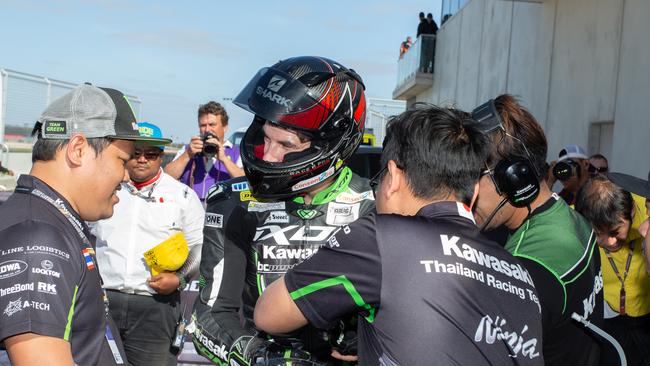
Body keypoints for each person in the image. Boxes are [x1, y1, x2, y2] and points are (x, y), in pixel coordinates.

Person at [255, 105, 544, 365]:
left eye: (379, 181)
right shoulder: (518, 270)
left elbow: (270, 314)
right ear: (475, 189)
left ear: (392, 177)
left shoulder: (380, 238)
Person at [190, 56, 374, 366]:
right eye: (265, 138)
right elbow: (207, 316)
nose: (271, 156)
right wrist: (255, 355)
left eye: (286, 145)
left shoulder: (376, 206)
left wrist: (369, 331)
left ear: (331, 146)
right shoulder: (233, 203)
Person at [0, 83, 162, 365]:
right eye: (122, 161)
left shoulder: (52, 219)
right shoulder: (37, 236)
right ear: (78, 149)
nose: (126, 177)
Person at [471, 96, 603, 366]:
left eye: (474, 175)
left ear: (513, 178)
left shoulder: (524, 270)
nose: (466, 190)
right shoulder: (573, 218)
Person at [89, 122, 204, 365]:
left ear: (161, 157)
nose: (142, 160)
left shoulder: (182, 196)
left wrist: (180, 279)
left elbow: (199, 248)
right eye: (136, 153)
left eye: (150, 154)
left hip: (156, 306)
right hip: (103, 302)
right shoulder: (101, 191)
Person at [575, 177, 650, 366]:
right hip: (608, 316)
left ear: (632, 211)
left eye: (616, 231)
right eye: (599, 234)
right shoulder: (575, 217)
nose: (610, 242)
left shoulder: (646, 215)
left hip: (646, 314)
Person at [164, 101, 244, 202]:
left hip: (222, 211)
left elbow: (246, 183)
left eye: (212, 124)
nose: (207, 130)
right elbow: (166, 177)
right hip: (191, 210)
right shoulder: (188, 149)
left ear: (225, 127)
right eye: (202, 125)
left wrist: (224, 159)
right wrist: (187, 155)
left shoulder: (236, 153)